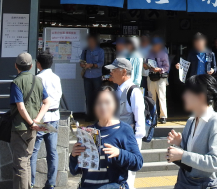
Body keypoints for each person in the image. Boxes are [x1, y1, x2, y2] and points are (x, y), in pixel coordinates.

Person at [70, 86, 143, 189]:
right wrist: (74, 156)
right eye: (99, 103)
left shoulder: (124, 130)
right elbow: (75, 170)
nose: (103, 106)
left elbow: (138, 162)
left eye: (107, 102)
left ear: (115, 104)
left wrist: (119, 153)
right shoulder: (87, 132)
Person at [166, 75, 217, 189]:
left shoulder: (216, 121)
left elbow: (216, 162)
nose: (184, 96)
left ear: (201, 96)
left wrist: (182, 155)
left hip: (208, 185)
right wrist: (179, 145)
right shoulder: (191, 121)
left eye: (188, 92)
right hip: (187, 183)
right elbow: (190, 161)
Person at [10, 52, 52, 189]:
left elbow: (21, 107)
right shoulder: (37, 80)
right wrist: (36, 121)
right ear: (31, 66)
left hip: (20, 127)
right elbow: (47, 102)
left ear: (16, 66)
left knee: (20, 163)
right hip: (34, 127)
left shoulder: (16, 82)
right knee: (27, 161)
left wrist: (30, 122)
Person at [106, 58, 145, 189]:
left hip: (129, 141)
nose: (111, 72)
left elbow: (140, 122)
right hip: (116, 140)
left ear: (123, 72)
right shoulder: (117, 90)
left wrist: (135, 145)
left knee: (128, 178)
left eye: (114, 70)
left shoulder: (133, 92)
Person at [31, 51, 63, 189]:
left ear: (38, 64)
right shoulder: (56, 78)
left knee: (33, 151)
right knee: (52, 151)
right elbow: (59, 95)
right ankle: (51, 183)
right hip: (54, 116)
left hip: (41, 117)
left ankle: (31, 183)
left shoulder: (37, 78)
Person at [81, 33, 105, 121]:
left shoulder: (100, 51)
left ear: (95, 41)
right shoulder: (85, 50)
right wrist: (82, 65)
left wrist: (92, 65)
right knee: (88, 97)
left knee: (97, 97)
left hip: (97, 76)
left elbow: (101, 63)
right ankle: (89, 115)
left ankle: (97, 116)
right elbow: (81, 61)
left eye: (91, 41)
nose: (90, 43)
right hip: (87, 76)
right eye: (88, 41)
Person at [146, 37, 170, 124]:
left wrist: (159, 69)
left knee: (162, 97)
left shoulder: (163, 54)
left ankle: (163, 116)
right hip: (151, 76)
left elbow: (167, 67)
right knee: (151, 97)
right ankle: (153, 115)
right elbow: (146, 64)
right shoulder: (149, 53)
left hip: (161, 77)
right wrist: (147, 66)